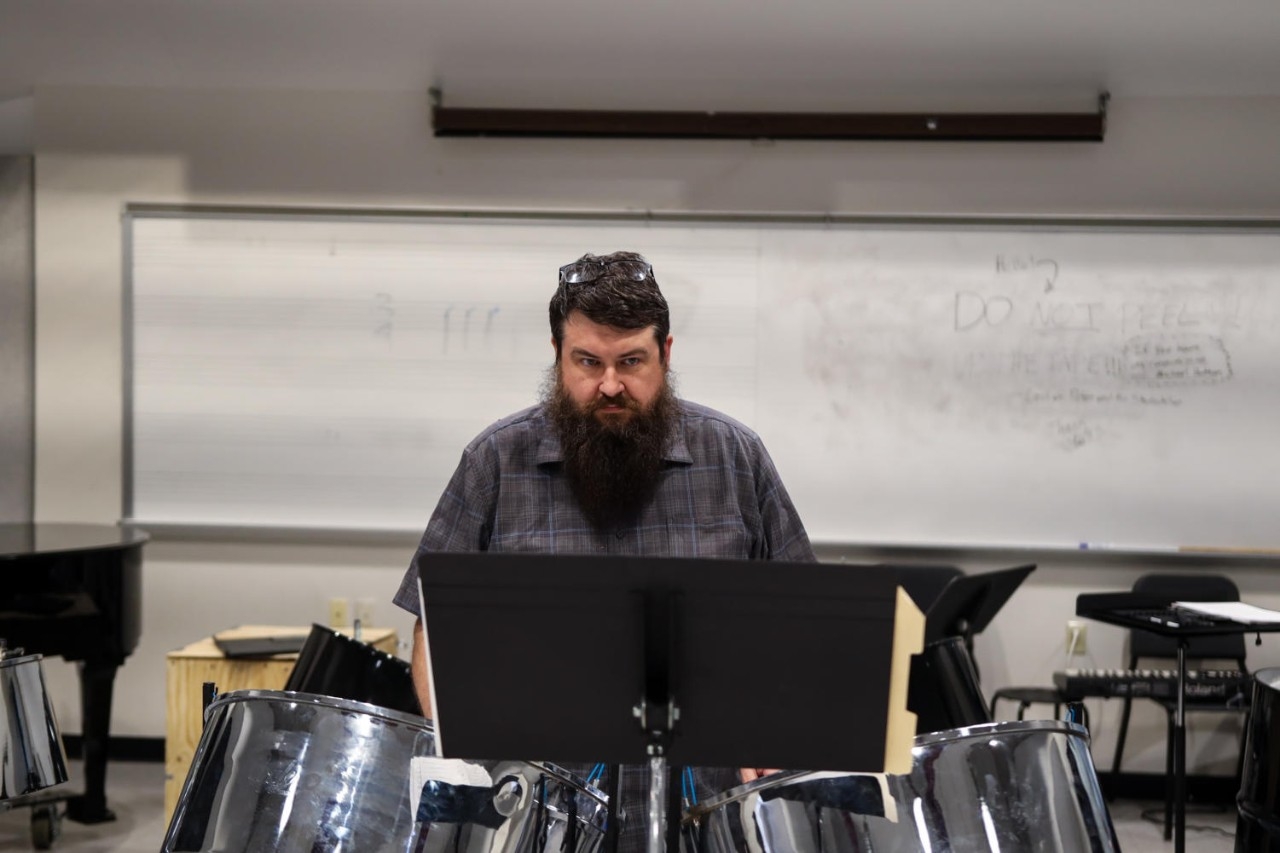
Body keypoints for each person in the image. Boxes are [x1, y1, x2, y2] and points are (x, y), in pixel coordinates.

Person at [392, 250, 815, 850]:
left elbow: (803, 624)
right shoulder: (494, 462)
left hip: (707, 818)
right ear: (557, 354)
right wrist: (455, 750)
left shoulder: (735, 458)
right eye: (587, 362)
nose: (610, 385)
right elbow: (433, 628)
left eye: (631, 362)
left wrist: (778, 731)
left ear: (666, 355)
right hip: (538, 818)